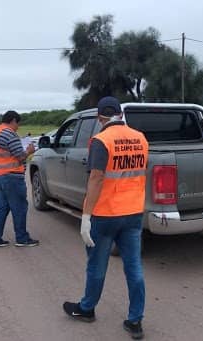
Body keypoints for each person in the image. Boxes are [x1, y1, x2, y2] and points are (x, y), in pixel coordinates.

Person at [63, 97, 149, 340]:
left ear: (100, 117)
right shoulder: (140, 137)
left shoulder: (101, 140)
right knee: (134, 268)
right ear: (120, 114)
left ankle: (87, 308)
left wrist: (86, 216)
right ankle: (135, 321)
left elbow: (96, 178)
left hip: (105, 214)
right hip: (133, 213)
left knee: (97, 266)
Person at [0, 110, 39, 248]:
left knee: (2, 208)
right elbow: (20, 156)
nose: (18, 127)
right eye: (18, 124)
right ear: (13, 120)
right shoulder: (9, 133)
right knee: (20, 208)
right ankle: (22, 238)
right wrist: (29, 151)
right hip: (11, 177)